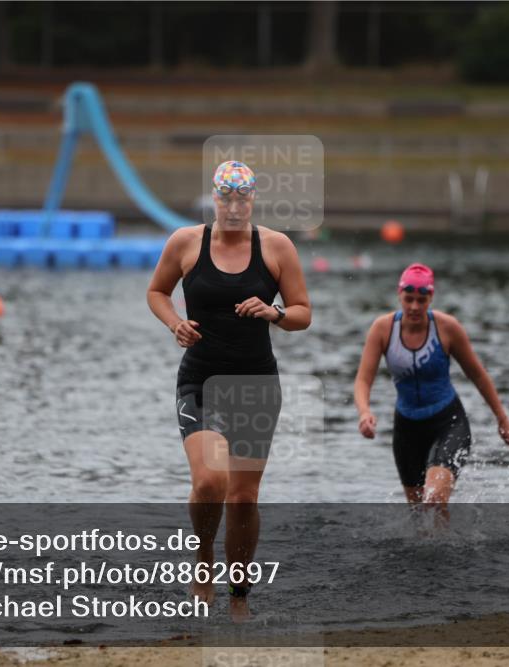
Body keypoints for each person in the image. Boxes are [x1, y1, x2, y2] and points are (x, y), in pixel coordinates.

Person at [146, 160, 311, 621]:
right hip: (200, 379)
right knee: (209, 481)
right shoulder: (185, 242)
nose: (234, 207)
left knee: (242, 498)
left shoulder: (276, 247)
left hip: (256, 384)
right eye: (226, 197)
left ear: (253, 199)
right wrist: (175, 324)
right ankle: (203, 558)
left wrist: (274, 313)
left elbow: (302, 312)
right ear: (214, 198)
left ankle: (239, 595)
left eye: (242, 198)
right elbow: (157, 292)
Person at [353, 263, 509, 520]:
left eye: (422, 300)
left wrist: (502, 419)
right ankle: (442, 546)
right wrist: (364, 412)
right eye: (408, 299)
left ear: (431, 297)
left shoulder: (447, 328)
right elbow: (363, 380)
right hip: (407, 429)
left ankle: (448, 546)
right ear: (399, 295)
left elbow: (478, 375)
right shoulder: (383, 329)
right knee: (419, 516)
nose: (414, 306)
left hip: (447, 423)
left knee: (434, 500)